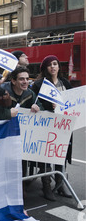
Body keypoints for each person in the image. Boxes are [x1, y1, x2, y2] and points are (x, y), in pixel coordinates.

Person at [31, 55, 72, 201]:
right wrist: (49, 106)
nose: (53, 67)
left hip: (62, 125)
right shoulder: (39, 84)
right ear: (45, 68)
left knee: (60, 155)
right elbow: (34, 101)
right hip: (46, 124)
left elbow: (71, 102)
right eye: (49, 64)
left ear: (59, 67)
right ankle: (46, 186)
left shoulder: (65, 83)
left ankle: (60, 185)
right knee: (45, 155)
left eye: (55, 64)